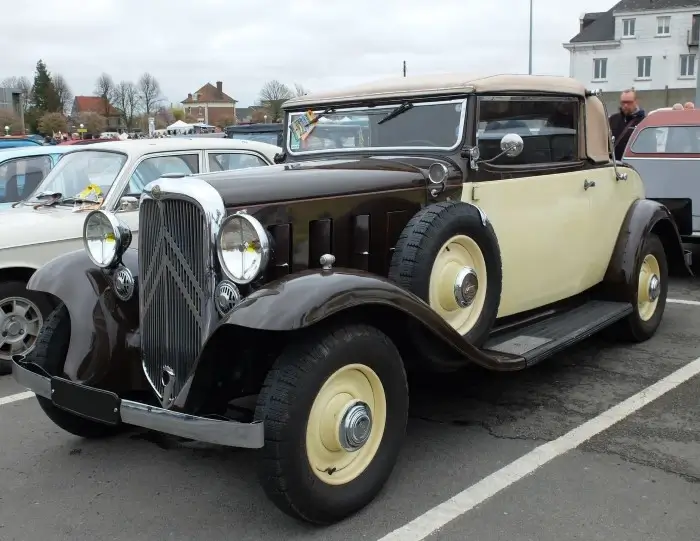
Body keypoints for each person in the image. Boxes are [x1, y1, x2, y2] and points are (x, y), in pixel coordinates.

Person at [609, 89, 646, 160]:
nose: (625, 105)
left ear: (636, 101)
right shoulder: (613, 119)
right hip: (615, 163)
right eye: (623, 102)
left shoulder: (644, 121)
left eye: (629, 102)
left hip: (633, 163)